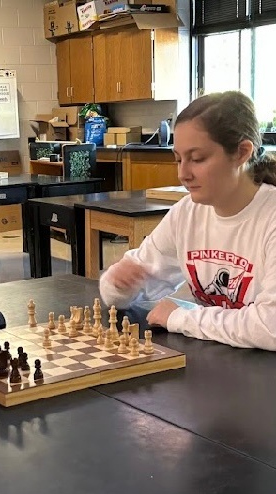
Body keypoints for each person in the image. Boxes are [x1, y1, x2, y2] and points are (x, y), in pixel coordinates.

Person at [99, 91, 276, 351]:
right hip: (222, 361)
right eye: (178, 159)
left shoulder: (269, 217)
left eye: (197, 159)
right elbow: (122, 290)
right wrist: (119, 283)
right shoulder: (187, 212)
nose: (183, 174)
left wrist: (181, 316)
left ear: (242, 152)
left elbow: (270, 327)